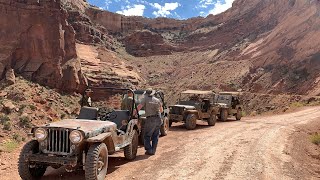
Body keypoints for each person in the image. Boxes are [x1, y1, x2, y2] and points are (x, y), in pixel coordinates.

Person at [136, 88, 163, 155]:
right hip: (158, 118)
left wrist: (134, 113)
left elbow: (139, 107)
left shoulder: (145, 99)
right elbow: (161, 110)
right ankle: (153, 150)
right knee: (155, 136)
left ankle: (149, 150)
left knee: (147, 135)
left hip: (151, 119)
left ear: (146, 93)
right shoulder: (157, 100)